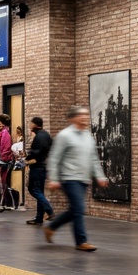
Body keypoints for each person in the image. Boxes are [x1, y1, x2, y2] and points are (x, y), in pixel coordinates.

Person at [44, 106, 109, 251]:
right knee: (79, 208)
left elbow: (93, 158)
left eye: (86, 115)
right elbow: (55, 158)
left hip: (84, 178)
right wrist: (54, 179)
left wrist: (100, 176)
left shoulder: (88, 136)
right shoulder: (64, 135)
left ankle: (52, 227)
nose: (85, 117)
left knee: (75, 209)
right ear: (73, 118)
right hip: (69, 178)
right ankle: (81, 241)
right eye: (81, 115)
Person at [25, 117, 55, 225]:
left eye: (30, 123)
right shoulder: (46, 135)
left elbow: (35, 152)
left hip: (37, 167)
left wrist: (27, 159)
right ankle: (39, 218)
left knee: (33, 189)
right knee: (39, 191)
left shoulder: (39, 137)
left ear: (34, 124)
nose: (29, 125)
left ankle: (49, 210)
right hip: (43, 167)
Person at [0, 114, 15, 209]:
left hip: (5, 161)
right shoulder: (2, 132)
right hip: (3, 160)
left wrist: (2, 158)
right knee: (3, 182)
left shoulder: (5, 133)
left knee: (4, 181)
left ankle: (7, 202)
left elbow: (6, 148)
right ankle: (5, 202)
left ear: (2, 123)